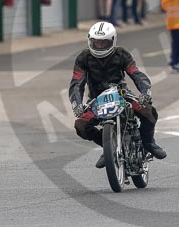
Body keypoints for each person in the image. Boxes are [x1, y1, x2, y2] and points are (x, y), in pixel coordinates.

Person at [69, 21, 167, 168]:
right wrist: (76, 104)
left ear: (113, 41)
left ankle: (148, 143)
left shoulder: (121, 54)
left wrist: (145, 92)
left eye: (104, 43)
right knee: (80, 125)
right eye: (96, 43)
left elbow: (136, 74)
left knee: (149, 111)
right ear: (90, 41)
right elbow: (77, 82)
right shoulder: (83, 57)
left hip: (122, 95)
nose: (100, 46)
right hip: (97, 101)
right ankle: (109, 147)